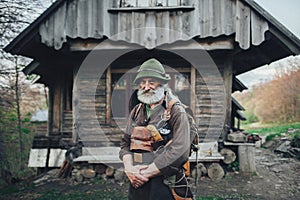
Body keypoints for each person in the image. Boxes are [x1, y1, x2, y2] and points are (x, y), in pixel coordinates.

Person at [119, 58, 193, 200]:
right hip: (137, 181)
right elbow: (125, 144)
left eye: (152, 82)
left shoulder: (177, 112)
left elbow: (181, 151)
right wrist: (129, 169)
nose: (147, 87)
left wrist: (145, 173)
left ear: (163, 84)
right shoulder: (136, 111)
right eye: (143, 82)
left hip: (165, 183)